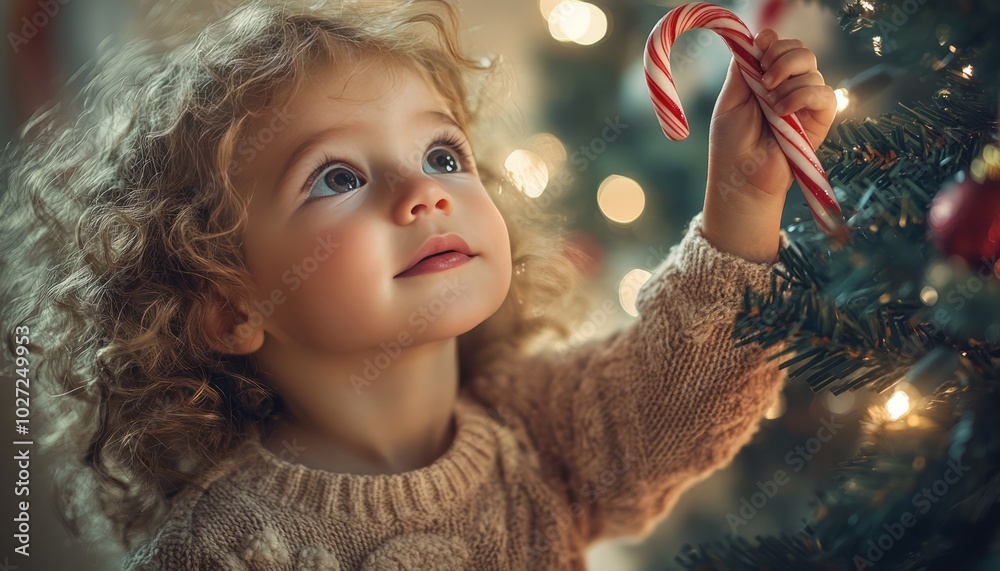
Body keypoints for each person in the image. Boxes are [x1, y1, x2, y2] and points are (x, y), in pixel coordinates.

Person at [0, 0, 836, 568]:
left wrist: (742, 198)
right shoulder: (225, 546)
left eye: (442, 155)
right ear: (230, 305)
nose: (426, 192)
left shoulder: (533, 424)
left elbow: (676, 400)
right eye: (334, 178)